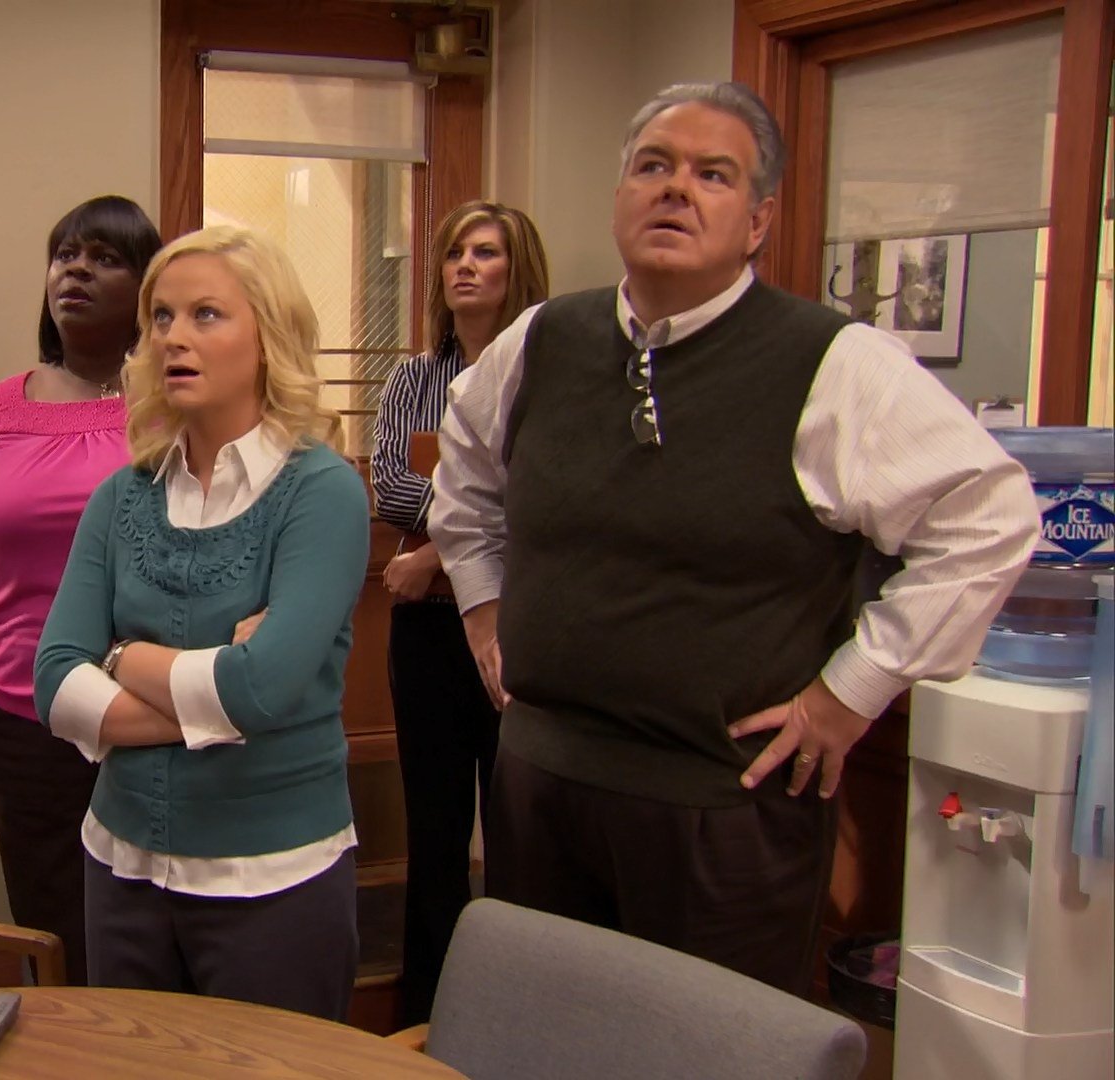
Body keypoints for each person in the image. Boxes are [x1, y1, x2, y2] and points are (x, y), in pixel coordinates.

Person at [428, 81, 1038, 993]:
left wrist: (850, 692)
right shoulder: (539, 341)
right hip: (542, 792)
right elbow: (466, 478)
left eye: (713, 175)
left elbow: (990, 520)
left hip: (724, 815)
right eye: (654, 167)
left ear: (758, 221)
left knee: (708, 1049)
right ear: (620, 195)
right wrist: (483, 608)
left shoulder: (836, 365)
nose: (676, 188)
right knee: (540, 1042)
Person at [35, 225, 370, 1021]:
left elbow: (260, 689)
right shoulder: (122, 496)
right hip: (122, 868)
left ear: (268, 335)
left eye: (206, 315)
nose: (173, 338)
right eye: (161, 317)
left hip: (273, 879)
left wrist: (120, 657)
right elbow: (53, 683)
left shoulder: (322, 492)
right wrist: (214, 695)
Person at [0, 195, 160, 984]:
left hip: (146, 707)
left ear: (147, 288)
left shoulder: (171, 407)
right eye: (65, 255)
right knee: (51, 914)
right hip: (14, 709)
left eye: (104, 257)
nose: (75, 270)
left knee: (147, 915)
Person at [369, 199, 548, 1026]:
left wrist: (437, 551)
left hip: (518, 628)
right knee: (435, 832)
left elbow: (542, 500)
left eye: (486, 252)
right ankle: (426, 1013)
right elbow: (391, 486)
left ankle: (514, 1017)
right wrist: (474, 513)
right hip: (426, 634)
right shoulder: (415, 379)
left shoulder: (546, 372)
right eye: (453, 254)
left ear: (520, 269)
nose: (465, 266)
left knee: (519, 835)